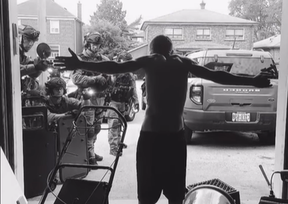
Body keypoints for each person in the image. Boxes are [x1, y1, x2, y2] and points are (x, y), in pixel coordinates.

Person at [54, 35, 271, 204]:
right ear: (171, 50)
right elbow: (217, 75)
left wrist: (80, 63)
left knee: (147, 197)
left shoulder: (150, 61)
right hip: (175, 138)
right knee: (175, 196)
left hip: (151, 138)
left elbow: (115, 67)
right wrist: (253, 80)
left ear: (152, 50)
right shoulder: (183, 63)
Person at [70, 31, 110, 163]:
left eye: (98, 45)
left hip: (100, 98)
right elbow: (76, 78)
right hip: (87, 98)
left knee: (97, 127)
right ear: (88, 44)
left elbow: (111, 75)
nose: (96, 48)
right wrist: (95, 79)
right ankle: (89, 154)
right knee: (89, 128)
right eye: (94, 45)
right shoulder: (81, 59)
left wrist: (108, 80)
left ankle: (91, 149)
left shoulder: (103, 60)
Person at [107, 52, 139, 156]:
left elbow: (133, 89)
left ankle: (118, 143)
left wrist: (136, 102)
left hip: (123, 103)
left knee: (119, 124)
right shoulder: (114, 73)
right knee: (113, 125)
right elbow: (108, 86)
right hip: (113, 102)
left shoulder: (129, 75)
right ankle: (113, 148)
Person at [19, 24, 48, 94]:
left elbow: (32, 73)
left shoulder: (22, 54)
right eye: (28, 40)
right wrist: (35, 67)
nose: (30, 44)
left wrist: (41, 66)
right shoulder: (12, 53)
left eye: (32, 41)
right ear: (20, 37)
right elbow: (16, 71)